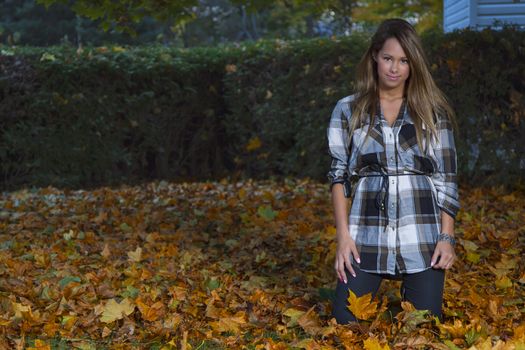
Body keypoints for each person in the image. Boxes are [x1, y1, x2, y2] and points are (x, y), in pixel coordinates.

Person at [326, 18, 460, 324]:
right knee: (345, 321)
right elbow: (338, 176)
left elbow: (447, 179)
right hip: (366, 234)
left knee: (424, 325)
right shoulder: (347, 109)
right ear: (375, 55)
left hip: (421, 236)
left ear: (413, 64)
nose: (395, 68)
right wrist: (343, 237)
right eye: (388, 58)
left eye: (403, 61)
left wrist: (446, 238)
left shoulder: (431, 111)